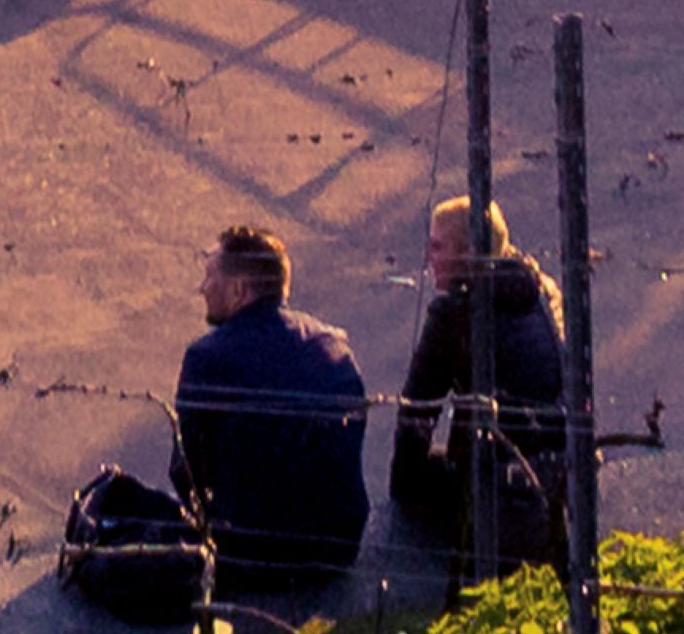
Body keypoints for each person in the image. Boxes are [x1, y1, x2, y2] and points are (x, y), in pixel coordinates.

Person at [170, 227, 376, 610]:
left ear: (239, 291)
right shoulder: (333, 345)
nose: (202, 287)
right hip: (338, 545)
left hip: (253, 556)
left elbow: (189, 467)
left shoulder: (208, 358)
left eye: (211, 276)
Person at [394, 204, 576, 573]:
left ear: (468, 254)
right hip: (558, 476)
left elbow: (417, 411)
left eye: (437, 247)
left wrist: (403, 492)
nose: (429, 257)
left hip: (496, 489)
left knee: (423, 481)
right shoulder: (542, 293)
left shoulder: (456, 312)